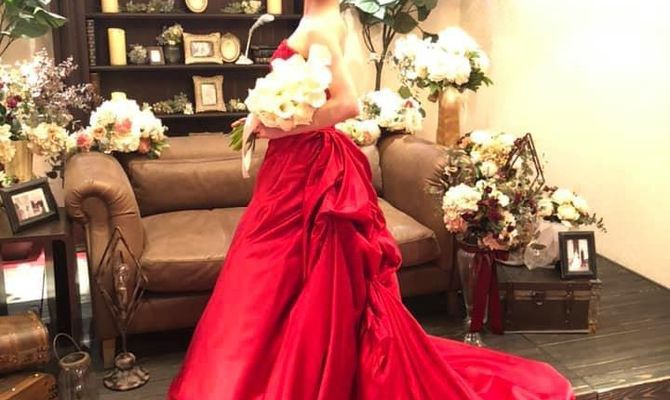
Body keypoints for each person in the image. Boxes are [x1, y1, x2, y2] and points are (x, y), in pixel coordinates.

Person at [167, 0, 575, 398]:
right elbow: (315, 97)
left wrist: (278, 127)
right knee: (273, 272)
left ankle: (301, 372)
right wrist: (268, 117)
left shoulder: (321, 25)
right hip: (292, 167)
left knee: (289, 271)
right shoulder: (317, 17)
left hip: (310, 171)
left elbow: (347, 104)